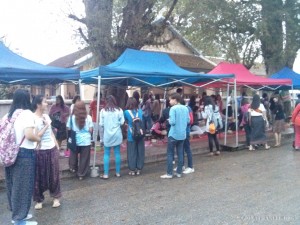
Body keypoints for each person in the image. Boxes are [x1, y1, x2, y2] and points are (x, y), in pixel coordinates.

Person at [3, 89, 41, 225]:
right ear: (27, 99)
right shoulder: (27, 114)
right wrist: (38, 139)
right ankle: (19, 219)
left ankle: (18, 214)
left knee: (13, 185)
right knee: (23, 187)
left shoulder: (8, 115)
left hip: (9, 154)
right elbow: (30, 134)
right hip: (24, 154)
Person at [32, 95, 62, 210]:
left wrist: (57, 146)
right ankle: (39, 200)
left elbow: (51, 133)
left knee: (54, 174)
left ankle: (56, 198)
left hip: (51, 148)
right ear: (38, 104)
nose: (47, 103)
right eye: (45, 102)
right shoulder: (33, 118)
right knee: (39, 176)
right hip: (40, 150)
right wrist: (45, 126)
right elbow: (35, 136)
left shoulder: (46, 116)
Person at [160, 93, 189, 179]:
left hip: (173, 134)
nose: (169, 101)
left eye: (170, 99)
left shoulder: (173, 109)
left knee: (170, 154)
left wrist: (168, 120)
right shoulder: (185, 108)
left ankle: (169, 173)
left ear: (175, 100)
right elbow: (188, 120)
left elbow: (172, 122)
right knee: (180, 153)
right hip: (182, 134)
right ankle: (179, 172)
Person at [99, 95, 125, 179]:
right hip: (117, 134)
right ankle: (118, 173)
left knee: (106, 154)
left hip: (107, 135)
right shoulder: (119, 110)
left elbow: (101, 124)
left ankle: (106, 174)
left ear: (106, 101)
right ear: (114, 101)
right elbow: (122, 122)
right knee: (117, 153)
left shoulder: (103, 111)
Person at [67, 101, 93, 180]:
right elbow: (91, 130)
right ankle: (81, 174)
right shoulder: (88, 117)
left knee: (73, 155)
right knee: (84, 158)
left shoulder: (71, 118)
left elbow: (69, 128)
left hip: (75, 140)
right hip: (86, 141)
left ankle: (73, 168)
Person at [124, 97, 145, 175]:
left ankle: (132, 169)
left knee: (131, 152)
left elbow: (125, 121)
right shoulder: (140, 111)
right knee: (140, 152)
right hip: (140, 135)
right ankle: (139, 168)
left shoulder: (126, 112)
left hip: (131, 135)